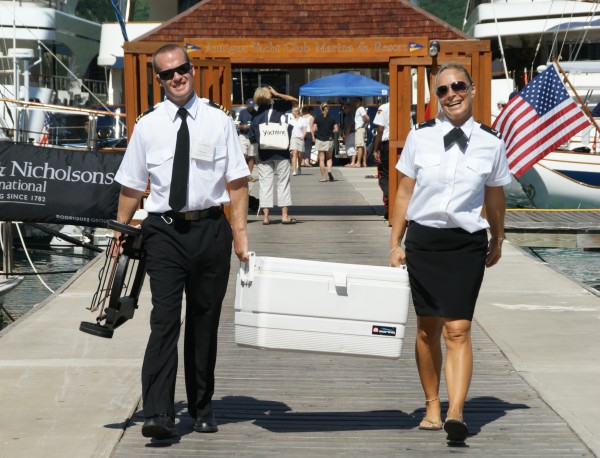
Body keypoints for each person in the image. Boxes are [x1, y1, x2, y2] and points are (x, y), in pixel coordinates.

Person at [112, 43, 250, 440]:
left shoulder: (219, 121)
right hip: (164, 232)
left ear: (192, 70)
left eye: (182, 69)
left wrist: (241, 237)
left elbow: (237, 182)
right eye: (168, 73)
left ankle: (202, 407)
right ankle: (158, 412)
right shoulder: (149, 125)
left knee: (204, 322)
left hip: (210, 229)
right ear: (159, 80)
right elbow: (132, 185)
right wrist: (120, 233)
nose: (177, 77)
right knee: (164, 319)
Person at [389, 62, 511, 443]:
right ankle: (431, 403)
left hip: (465, 244)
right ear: (435, 98)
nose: (451, 94)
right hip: (424, 241)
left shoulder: (492, 142)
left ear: (472, 89)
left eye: (458, 86)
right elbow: (404, 193)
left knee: (458, 329)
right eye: (442, 90)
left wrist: (498, 238)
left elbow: (494, 196)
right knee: (428, 330)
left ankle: (456, 412)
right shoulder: (419, 136)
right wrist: (395, 242)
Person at [249, 86, 297, 225]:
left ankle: (265, 217)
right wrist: (277, 92)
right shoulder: (279, 108)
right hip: (281, 152)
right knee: (283, 183)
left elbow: (252, 138)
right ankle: (284, 215)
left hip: (264, 154)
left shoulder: (256, 116)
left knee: (265, 184)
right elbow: (294, 101)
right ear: (269, 96)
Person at [372, 101, 390, 219]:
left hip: (387, 144)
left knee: (384, 176)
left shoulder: (383, 108)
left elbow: (380, 129)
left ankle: (390, 206)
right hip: (403, 143)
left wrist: (375, 149)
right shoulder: (405, 107)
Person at [313, 102, 339, 182]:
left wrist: (314, 136)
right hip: (329, 139)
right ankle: (330, 171)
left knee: (321, 159)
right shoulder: (332, 118)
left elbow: (314, 129)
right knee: (329, 158)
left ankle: (323, 177)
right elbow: (336, 130)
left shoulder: (317, 118)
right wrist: (331, 130)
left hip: (320, 139)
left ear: (321, 109)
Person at [237, 98, 257, 180]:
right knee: (243, 155)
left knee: (251, 156)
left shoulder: (257, 113)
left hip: (252, 136)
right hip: (243, 135)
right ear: (247, 105)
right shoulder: (242, 112)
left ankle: (249, 175)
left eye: (252, 106)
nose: (251, 108)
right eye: (249, 106)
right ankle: (242, 174)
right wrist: (243, 126)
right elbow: (238, 125)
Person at [353, 97, 370, 167]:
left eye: (357, 101)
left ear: (361, 102)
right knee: (363, 146)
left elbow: (367, 118)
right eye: (355, 101)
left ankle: (358, 162)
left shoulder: (360, 109)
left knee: (359, 146)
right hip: (361, 129)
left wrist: (363, 125)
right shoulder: (360, 109)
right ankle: (364, 162)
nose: (356, 103)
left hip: (359, 129)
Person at [289, 106, 306, 175]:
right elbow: (289, 129)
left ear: (296, 112)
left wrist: (303, 136)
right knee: (294, 153)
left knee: (299, 154)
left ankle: (299, 168)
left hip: (300, 138)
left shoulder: (302, 119)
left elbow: (305, 129)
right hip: (293, 138)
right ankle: (294, 170)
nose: (292, 112)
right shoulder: (292, 120)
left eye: (293, 111)